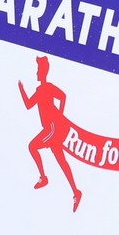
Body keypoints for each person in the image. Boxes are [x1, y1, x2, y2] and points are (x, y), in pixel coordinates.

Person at [22, 56, 84, 212]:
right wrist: (21, 89)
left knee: (32, 146)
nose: (37, 73)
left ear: (43, 72)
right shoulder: (40, 90)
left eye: (38, 70)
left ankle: (43, 178)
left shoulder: (47, 88)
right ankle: (76, 192)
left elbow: (63, 96)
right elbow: (29, 104)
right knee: (62, 161)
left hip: (51, 129)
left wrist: (59, 117)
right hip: (51, 129)